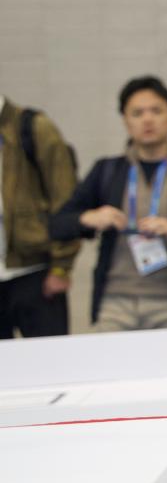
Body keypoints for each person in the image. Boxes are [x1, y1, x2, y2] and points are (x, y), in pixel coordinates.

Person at [50, 77, 167, 331]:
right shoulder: (107, 170)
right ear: (125, 121)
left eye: (156, 111)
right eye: (137, 113)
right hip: (115, 301)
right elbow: (57, 225)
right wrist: (90, 218)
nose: (147, 119)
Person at [0, 97, 80, 338]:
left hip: (35, 271)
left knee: (50, 359)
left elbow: (65, 198)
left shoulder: (32, 126)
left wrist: (61, 267)